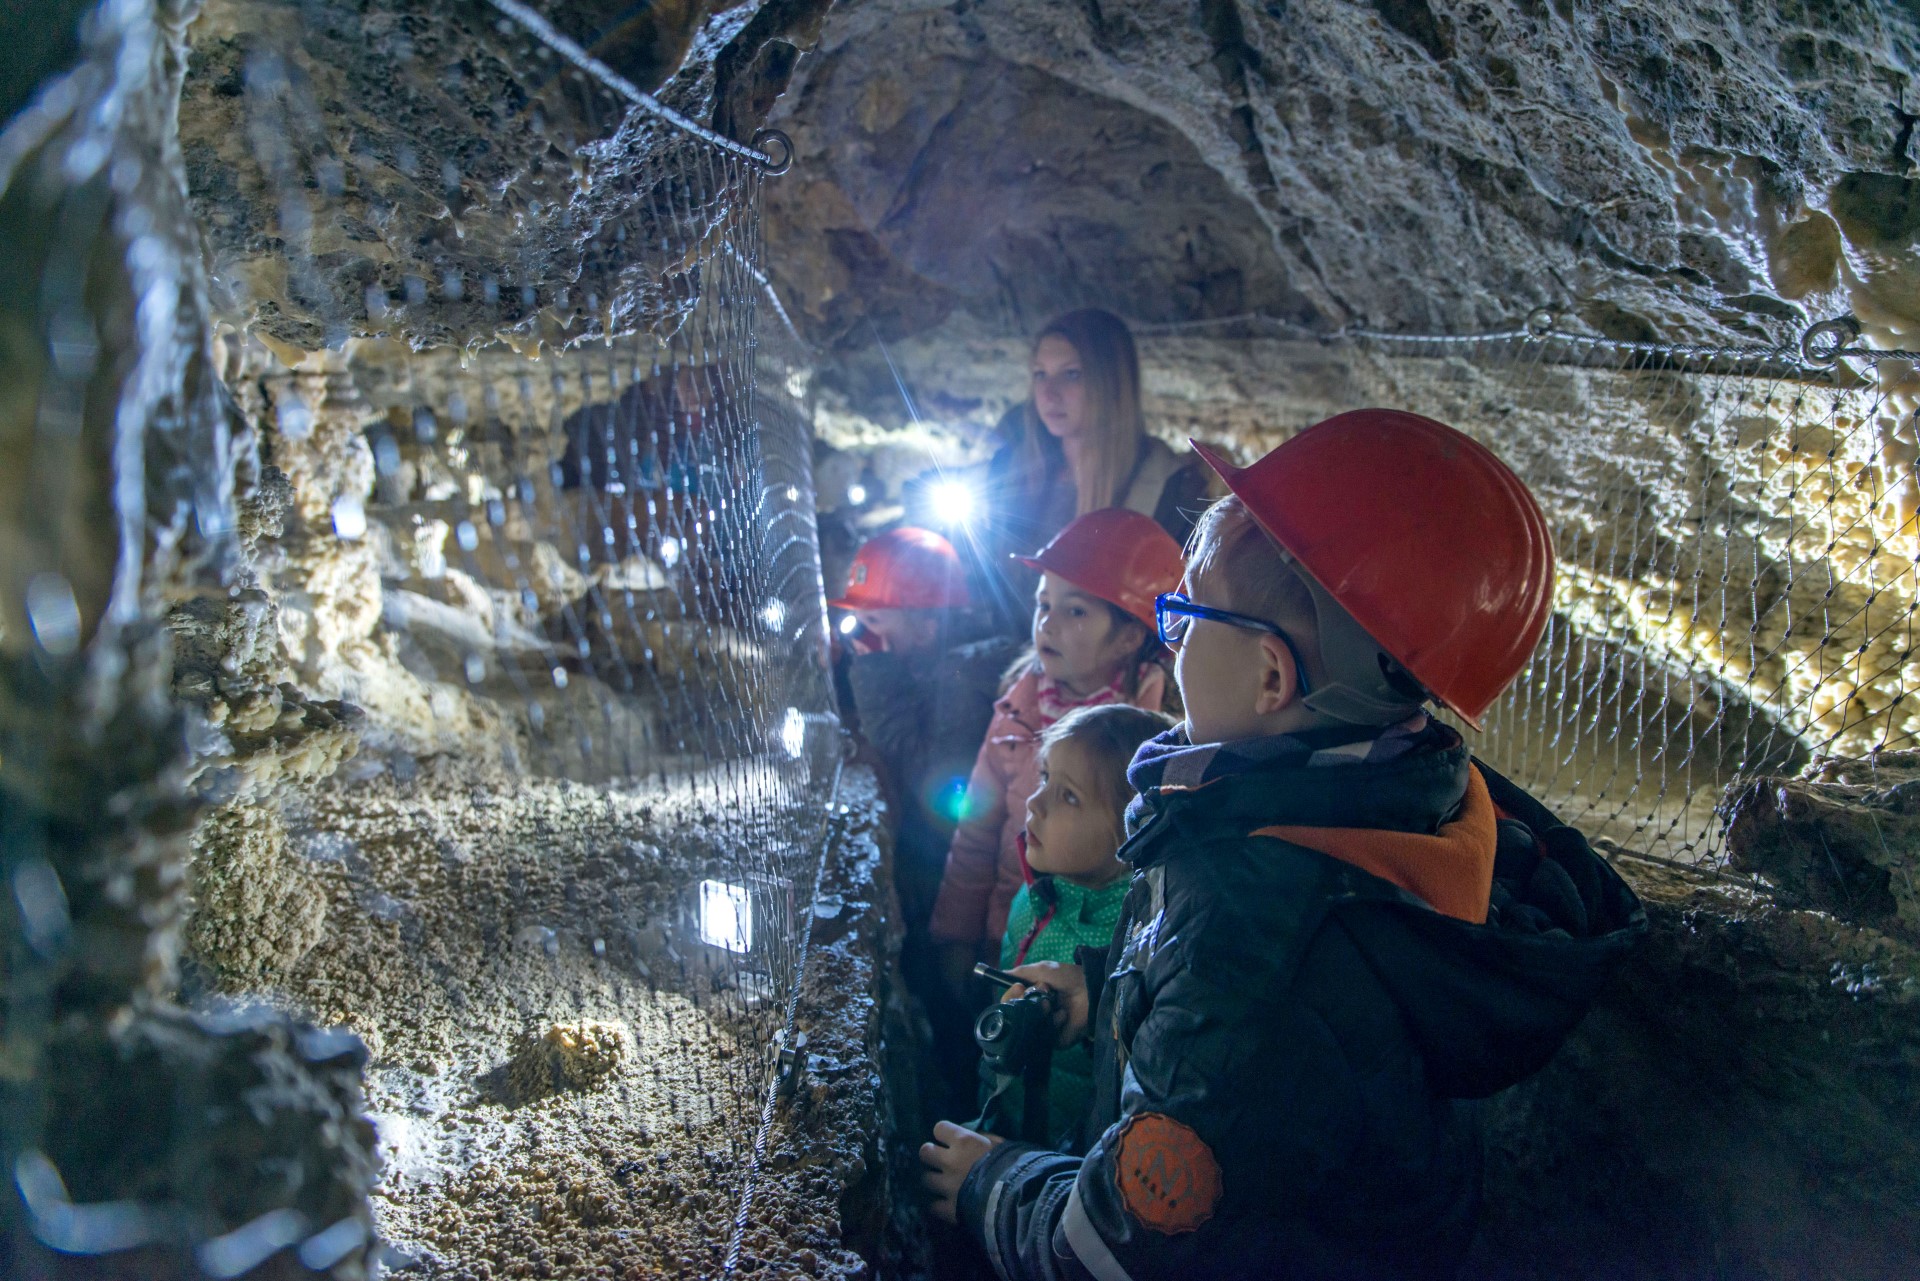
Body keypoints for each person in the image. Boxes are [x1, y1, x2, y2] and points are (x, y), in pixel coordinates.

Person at [920, 409, 1648, 1279]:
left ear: (1271, 675)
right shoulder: (1416, 803)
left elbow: (1117, 1251)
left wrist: (992, 1181)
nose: (1174, 636)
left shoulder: (1249, 927)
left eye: (1185, 613)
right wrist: (1111, 1004)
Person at [928, 509, 1185, 987]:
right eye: (1044, 605)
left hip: (1098, 957)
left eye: (1076, 610)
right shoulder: (1017, 708)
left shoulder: (1155, 741)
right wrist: (957, 938)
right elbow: (977, 830)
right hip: (1006, 930)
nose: (1048, 623)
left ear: (1129, 635)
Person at [982, 704, 1175, 1150]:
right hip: (1005, 1119)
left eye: (1068, 796)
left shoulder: (1130, 940)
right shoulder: (1041, 894)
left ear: (1130, 828)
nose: (1034, 802)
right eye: (1045, 777)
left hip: (1068, 1154)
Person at [970, 309, 1211, 635]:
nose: (1049, 393)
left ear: (1110, 383)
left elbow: (1181, 612)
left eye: (1071, 374)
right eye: (1040, 374)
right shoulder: (1011, 471)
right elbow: (989, 585)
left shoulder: (1170, 485)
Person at [829, 527, 1011, 925]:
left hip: (947, 884)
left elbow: (922, 777)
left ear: (928, 625)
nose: (862, 635)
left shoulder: (962, 682)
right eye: (856, 620)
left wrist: (874, 671)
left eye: (873, 620)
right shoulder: (916, 667)